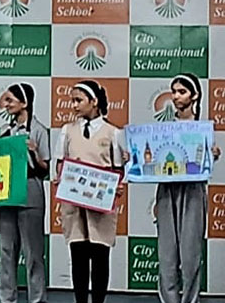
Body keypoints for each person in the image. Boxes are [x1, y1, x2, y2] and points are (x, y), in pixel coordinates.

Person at [55, 80, 125, 303]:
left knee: (100, 255)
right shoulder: (67, 131)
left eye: (79, 100)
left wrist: (117, 185)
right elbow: (60, 163)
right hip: (74, 204)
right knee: (78, 254)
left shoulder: (113, 133)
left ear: (94, 101)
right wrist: (61, 178)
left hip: (101, 203)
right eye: (72, 100)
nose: (74, 105)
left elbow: (118, 168)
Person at [156, 73, 220, 303]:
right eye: (173, 91)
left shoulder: (203, 129)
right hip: (167, 191)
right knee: (166, 255)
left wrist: (213, 155)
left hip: (193, 191)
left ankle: (190, 301)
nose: (176, 96)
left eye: (182, 92)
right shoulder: (162, 130)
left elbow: (205, 162)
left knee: (191, 255)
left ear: (194, 96)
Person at [0, 83, 50, 303]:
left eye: (10, 100)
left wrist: (34, 152)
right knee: (6, 249)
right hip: (7, 191)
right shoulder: (4, 130)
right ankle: (7, 298)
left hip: (30, 188)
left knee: (33, 251)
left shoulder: (39, 130)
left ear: (24, 102)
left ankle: (37, 299)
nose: (6, 104)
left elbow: (45, 169)